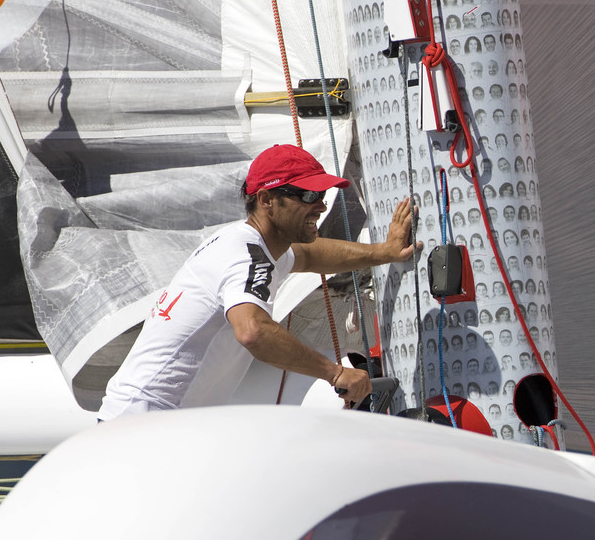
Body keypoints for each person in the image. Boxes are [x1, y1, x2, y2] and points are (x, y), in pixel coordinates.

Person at [97, 144, 418, 420]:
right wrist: (335, 373)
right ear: (266, 200)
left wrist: (384, 252)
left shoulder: (246, 245)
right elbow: (253, 331)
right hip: (147, 423)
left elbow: (308, 256)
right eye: (309, 195)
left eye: (322, 194)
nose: (321, 205)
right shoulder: (246, 255)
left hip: (149, 423)